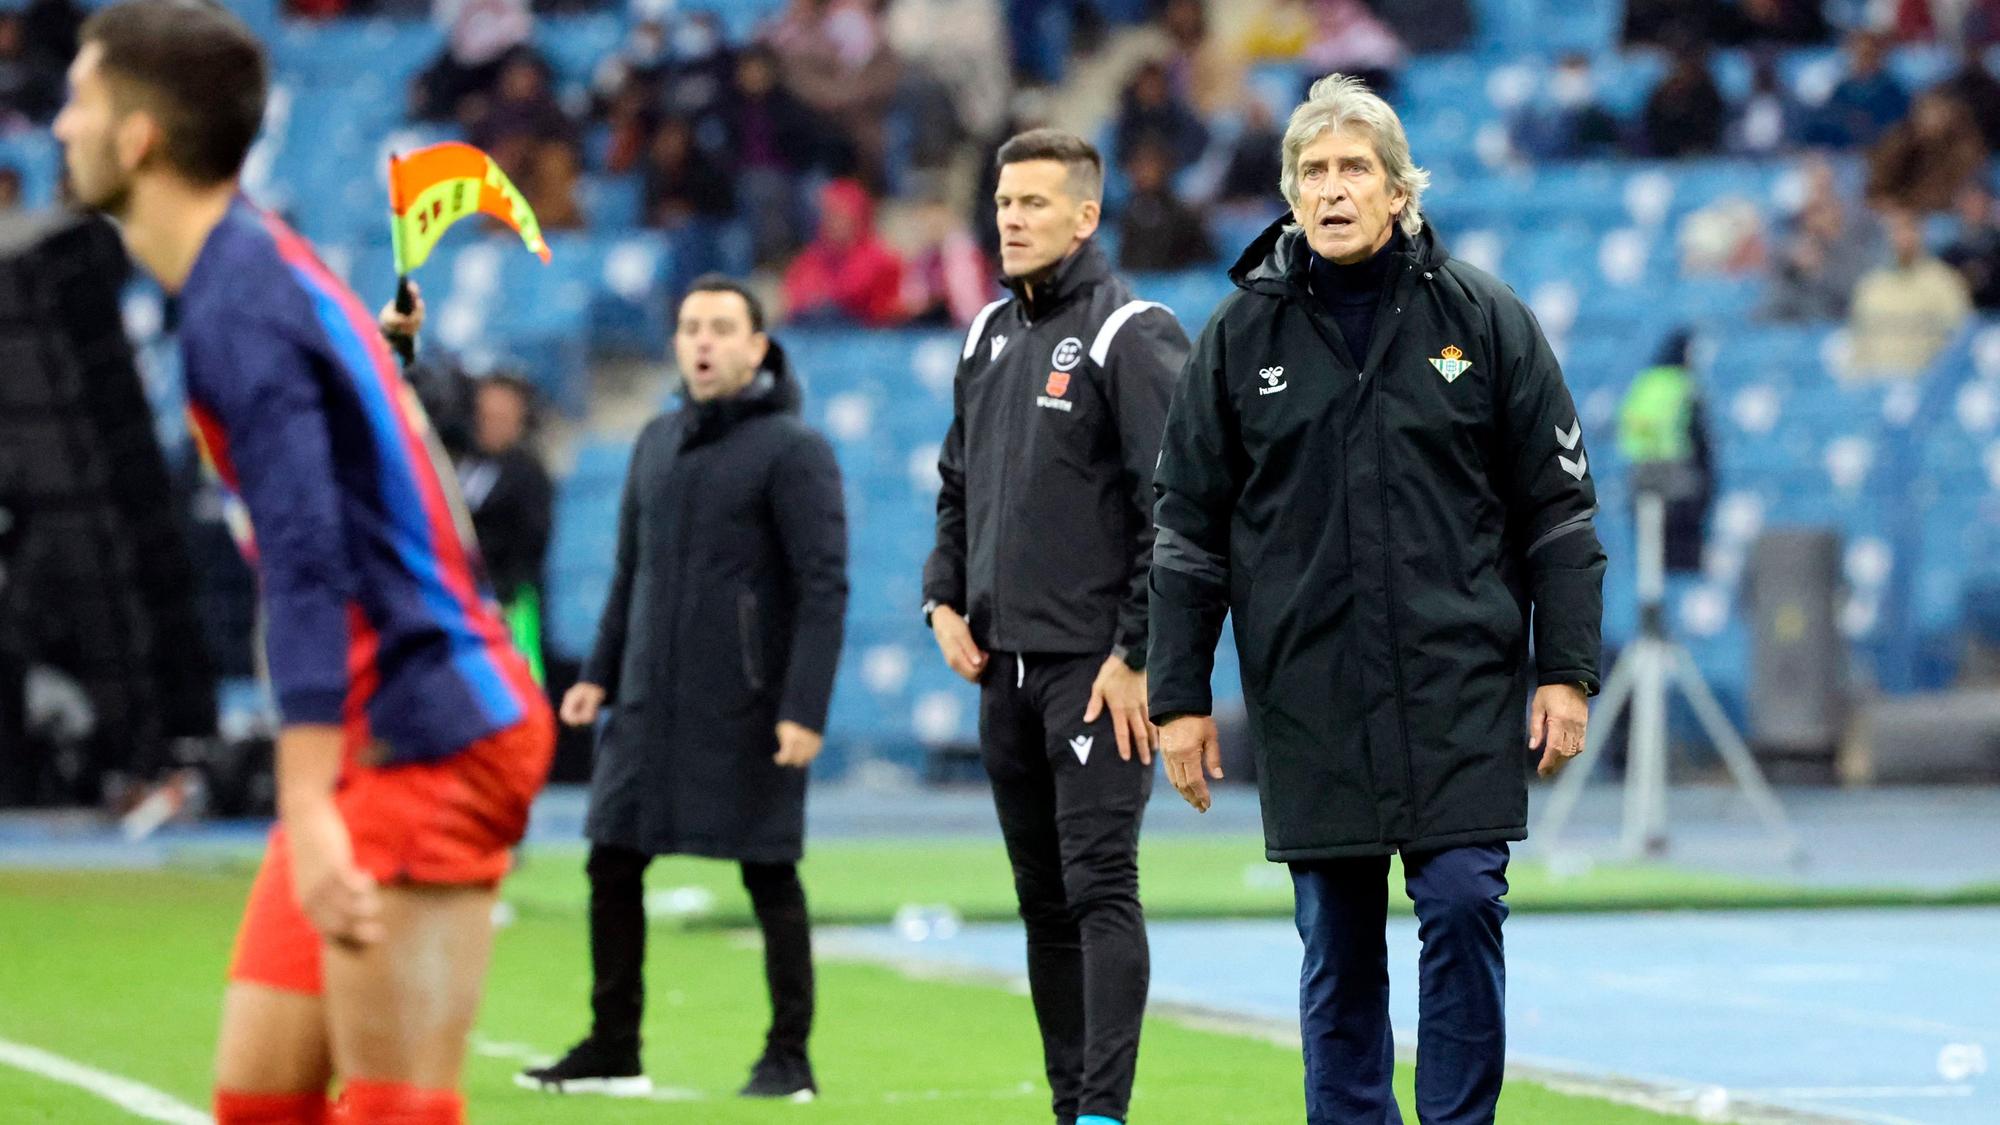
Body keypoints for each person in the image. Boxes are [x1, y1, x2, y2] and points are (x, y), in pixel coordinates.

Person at [51, 4, 554, 1123]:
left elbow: (308, 554)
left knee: (393, 1108)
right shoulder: (245, 269)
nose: (58, 122)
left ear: (138, 138)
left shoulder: (239, 305)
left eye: (80, 98)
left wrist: (306, 799)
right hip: (379, 730)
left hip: (432, 731)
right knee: (261, 1101)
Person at [1147, 73, 1605, 1124]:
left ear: (1400, 192)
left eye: (1355, 169)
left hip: (1458, 686)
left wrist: (1565, 671)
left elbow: (1557, 516)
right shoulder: (1234, 339)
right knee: (1338, 945)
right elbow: (1186, 537)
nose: (1332, 189)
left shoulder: (1485, 320)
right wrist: (1177, 696)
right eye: (1312, 171)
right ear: (1288, 193)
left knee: (1458, 908)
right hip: (1312, 693)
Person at [518, 275, 847, 1102]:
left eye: (721, 327)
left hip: (748, 708)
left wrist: (804, 707)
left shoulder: (792, 450)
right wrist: (597, 675)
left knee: (769, 872)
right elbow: (632, 573)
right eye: (690, 326)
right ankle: (613, 1045)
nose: (702, 340)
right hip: (643, 704)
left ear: (756, 347)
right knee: (610, 862)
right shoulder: (654, 440)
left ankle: (788, 1057)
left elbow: (823, 586)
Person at [922, 128, 1190, 1125]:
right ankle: (1067, 1102)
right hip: (1003, 672)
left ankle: (1102, 1113)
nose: (1011, 220)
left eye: (1034, 204)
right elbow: (956, 487)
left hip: (1093, 672)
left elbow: (1179, 509)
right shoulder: (985, 334)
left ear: (1084, 216)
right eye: (1002, 204)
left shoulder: (1133, 332)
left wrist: (1134, 655)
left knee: (1097, 888)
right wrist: (939, 595)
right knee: (1042, 904)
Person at [458, 373, 554, 685]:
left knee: (520, 682)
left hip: (511, 601)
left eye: (502, 416)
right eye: (486, 416)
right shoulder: (463, 463)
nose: (492, 424)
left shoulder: (528, 471)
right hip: (464, 598)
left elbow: (532, 542)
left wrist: (502, 595)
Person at [1848, 207, 1973, 377]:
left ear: (1921, 232)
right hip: (1876, 391)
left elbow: (1962, 343)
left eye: (1908, 228)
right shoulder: (1871, 286)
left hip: (1926, 390)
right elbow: (1856, 345)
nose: (1902, 237)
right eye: (1895, 230)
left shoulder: (1944, 283)